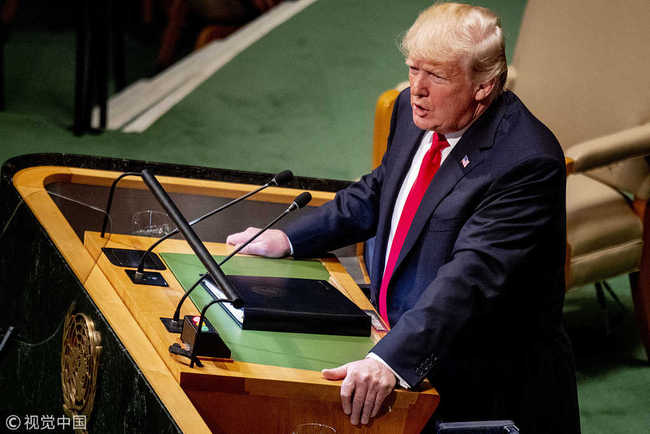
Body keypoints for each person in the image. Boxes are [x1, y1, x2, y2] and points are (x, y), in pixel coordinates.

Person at [226, 3, 581, 433]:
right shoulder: (411, 113)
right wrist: (288, 239)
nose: (417, 88)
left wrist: (389, 359)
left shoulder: (526, 163)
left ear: (484, 87)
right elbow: (382, 189)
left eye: (438, 75)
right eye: (413, 68)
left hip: (482, 394)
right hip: (406, 352)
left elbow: (468, 280)